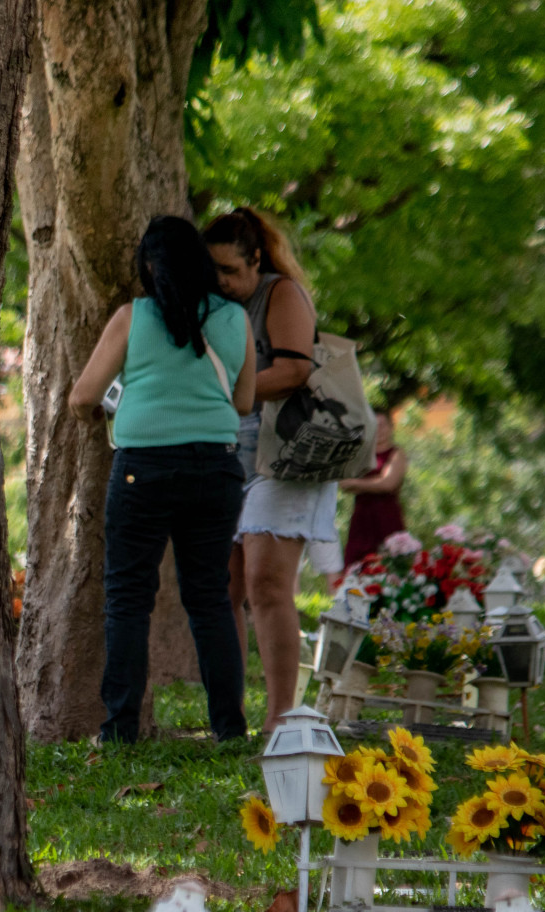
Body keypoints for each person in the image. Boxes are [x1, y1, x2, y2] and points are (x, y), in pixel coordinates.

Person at [67, 215, 257, 744]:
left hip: (144, 470)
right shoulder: (235, 319)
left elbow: (83, 396)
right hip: (216, 469)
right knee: (212, 599)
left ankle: (120, 731)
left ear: (148, 267)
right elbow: (242, 402)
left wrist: (105, 413)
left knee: (128, 598)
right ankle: (229, 730)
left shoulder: (133, 318)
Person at [203, 206, 330, 733]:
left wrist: (227, 394)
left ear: (256, 259)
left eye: (231, 271)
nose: (223, 282)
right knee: (226, 587)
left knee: (267, 585)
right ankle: (231, 718)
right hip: (233, 458)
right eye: (213, 272)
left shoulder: (280, 294)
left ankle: (284, 718)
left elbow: (297, 367)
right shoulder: (213, 302)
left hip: (287, 457)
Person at [339, 410, 408, 569]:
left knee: (391, 566)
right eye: (374, 426)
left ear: (391, 427)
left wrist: (357, 484)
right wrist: (372, 483)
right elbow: (343, 483)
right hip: (361, 519)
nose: (379, 430)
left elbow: (388, 483)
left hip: (387, 517)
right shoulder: (361, 455)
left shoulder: (397, 454)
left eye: (383, 425)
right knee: (356, 568)